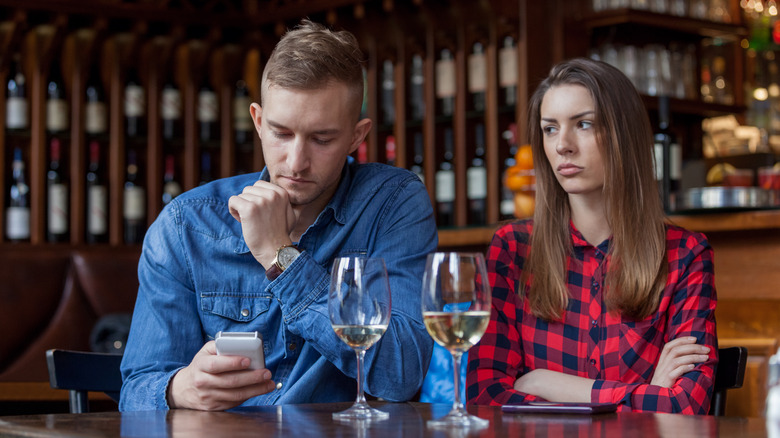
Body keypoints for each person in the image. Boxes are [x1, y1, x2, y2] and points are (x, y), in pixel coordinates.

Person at [119, 19, 437, 411]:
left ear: (357, 136)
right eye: (280, 133)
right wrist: (179, 389)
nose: (296, 161)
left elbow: (402, 374)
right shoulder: (187, 225)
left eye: (322, 139)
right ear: (257, 120)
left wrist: (281, 257)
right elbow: (136, 390)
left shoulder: (392, 203)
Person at [466, 58, 717, 414]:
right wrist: (645, 394)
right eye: (550, 129)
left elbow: (686, 406)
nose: (562, 145)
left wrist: (543, 382)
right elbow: (485, 397)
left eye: (583, 125)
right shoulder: (512, 249)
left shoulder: (685, 254)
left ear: (623, 136)